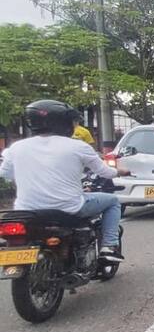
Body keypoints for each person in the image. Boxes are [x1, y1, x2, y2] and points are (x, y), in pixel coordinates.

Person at [0, 100, 129, 260]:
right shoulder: (78, 147)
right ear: (64, 122)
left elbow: (5, 174)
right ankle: (109, 246)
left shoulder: (16, 147)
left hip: (27, 210)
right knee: (113, 201)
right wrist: (120, 172)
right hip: (68, 208)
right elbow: (105, 172)